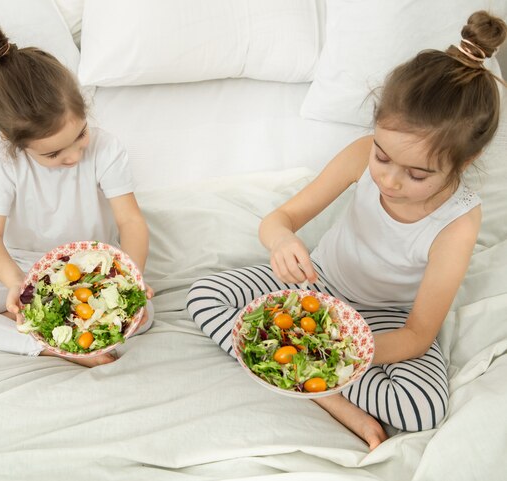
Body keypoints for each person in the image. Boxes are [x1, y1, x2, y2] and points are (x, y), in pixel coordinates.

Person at [186, 11, 506, 450]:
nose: (390, 181)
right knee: (203, 296)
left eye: (417, 175)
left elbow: (418, 334)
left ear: (463, 163)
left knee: (421, 408)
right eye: (383, 156)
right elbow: (279, 220)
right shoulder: (359, 155)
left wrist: (338, 347)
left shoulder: (458, 223)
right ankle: (329, 398)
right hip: (318, 281)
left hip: (386, 318)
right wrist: (282, 241)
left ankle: (298, 374)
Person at [0, 27, 153, 367]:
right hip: (22, 267)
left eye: (81, 135)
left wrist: (130, 278)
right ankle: (49, 346)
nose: (73, 156)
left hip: (88, 268)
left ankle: (26, 324)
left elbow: (130, 220)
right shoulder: (4, 162)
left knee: (145, 316)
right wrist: (17, 284)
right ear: (12, 140)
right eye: (53, 154)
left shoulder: (107, 149)